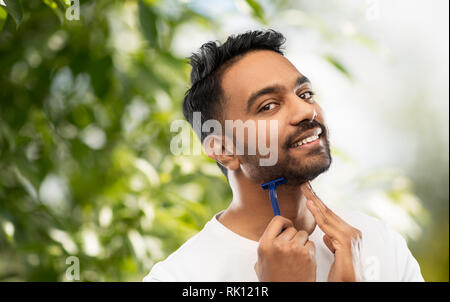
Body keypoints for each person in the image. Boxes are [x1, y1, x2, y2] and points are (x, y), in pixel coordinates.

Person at [143, 29, 424, 282]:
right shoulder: (178, 276)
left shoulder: (380, 245)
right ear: (224, 150)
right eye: (268, 106)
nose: (306, 111)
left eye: (305, 94)